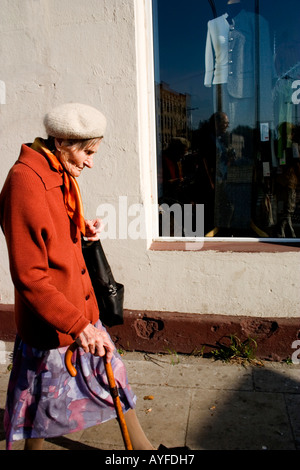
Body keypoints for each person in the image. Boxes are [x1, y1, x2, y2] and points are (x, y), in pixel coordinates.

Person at [0, 102, 154, 451]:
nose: (90, 162)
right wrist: (77, 325)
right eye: (87, 152)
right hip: (57, 321)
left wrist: (81, 231)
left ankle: (144, 451)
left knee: (112, 376)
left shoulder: (57, 172)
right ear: (63, 142)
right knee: (42, 407)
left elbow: (52, 232)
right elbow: (30, 274)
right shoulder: (26, 180)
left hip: (81, 311)